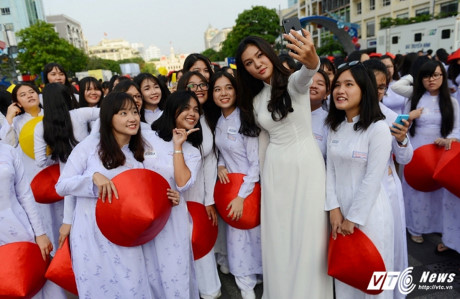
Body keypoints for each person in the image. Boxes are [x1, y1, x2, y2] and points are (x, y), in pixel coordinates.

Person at [235, 31, 332, 298]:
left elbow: (308, 72)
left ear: (269, 52)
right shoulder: (254, 99)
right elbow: (262, 141)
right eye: (248, 63)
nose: (257, 64)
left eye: (259, 55)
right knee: (279, 237)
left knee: (308, 236)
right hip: (275, 171)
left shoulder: (292, 83)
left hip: (305, 167)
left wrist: (312, 60)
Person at [55, 92, 153, 298]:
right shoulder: (89, 147)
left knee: (131, 284)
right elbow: (61, 186)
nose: (132, 118)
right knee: (99, 285)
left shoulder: (137, 152)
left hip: (126, 232)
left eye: (135, 112)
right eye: (123, 113)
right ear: (109, 117)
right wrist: (92, 179)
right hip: (92, 231)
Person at [325, 61, 394, 298]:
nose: (340, 90)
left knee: (372, 277)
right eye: (337, 85)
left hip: (369, 214)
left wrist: (353, 217)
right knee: (347, 273)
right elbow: (330, 171)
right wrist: (333, 209)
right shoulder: (334, 126)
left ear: (364, 89)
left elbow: (373, 179)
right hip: (339, 211)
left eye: (348, 85)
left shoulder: (378, 129)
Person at [142, 90, 202, 299]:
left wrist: (178, 146)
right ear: (172, 109)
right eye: (185, 108)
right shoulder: (148, 136)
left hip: (173, 217)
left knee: (174, 271)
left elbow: (182, 183)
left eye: (196, 109)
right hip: (143, 214)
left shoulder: (193, 151)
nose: (191, 113)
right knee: (149, 271)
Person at [209, 71, 262, 299]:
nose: (223, 93)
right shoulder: (219, 120)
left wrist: (242, 196)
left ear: (236, 90)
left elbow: (255, 163)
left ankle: (259, 276)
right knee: (237, 238)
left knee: (254, 236)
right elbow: (221, 150)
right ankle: (245, 283)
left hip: (249, 189)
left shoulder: (245, 119)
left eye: (228, 88)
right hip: (229, 190)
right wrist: (220, 165)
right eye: (218, 89)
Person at [364, 59, 413, 299]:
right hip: (355, 189)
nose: (377, 90)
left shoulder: (392, 117)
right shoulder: (345, 115)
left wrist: (403, 140)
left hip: (386, 189)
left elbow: (405, 158)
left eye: (382, 86)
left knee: (387, 246)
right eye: (372, 84)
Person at [401, 60, 459, 249]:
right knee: (417, 191)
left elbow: (457, 129)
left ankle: (438, 226)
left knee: (440, 192)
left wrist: (449, 139)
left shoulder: (452, 102)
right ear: (421, 79)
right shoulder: (413, 100)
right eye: (426, 76)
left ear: (443, 76)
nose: (431, 80)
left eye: (436, 75)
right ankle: (415, 227)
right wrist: (409, 118)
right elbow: (401, 126)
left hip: (441, 152)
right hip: (417, 151)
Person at [34, 83, 99, 249]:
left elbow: (40, 161)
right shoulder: (80, 114)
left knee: (74, 221)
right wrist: (92, 139)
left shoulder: (40, 126)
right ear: (67, 98)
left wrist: (58, 157)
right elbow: (107, 113)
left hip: (67, 179)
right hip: (93, 170)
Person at [176, 72, 222, 298]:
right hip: (175, 192)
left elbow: (212, 159)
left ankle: (208, 290)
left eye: (202, 84)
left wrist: (209, 199)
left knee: (200, 239)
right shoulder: (173, 120)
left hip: (199, 190)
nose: (199, 88)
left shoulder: (207, 117)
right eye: (191, 85)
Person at [310, 69, 330, 160]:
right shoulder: (287, 116)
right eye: (309, 81)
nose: (313, 86)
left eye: (320, 84)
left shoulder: (329, 121)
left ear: (326, 94)